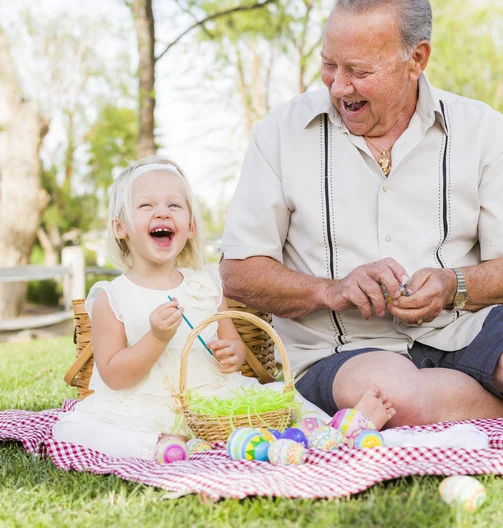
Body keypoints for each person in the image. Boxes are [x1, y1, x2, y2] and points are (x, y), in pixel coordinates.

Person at [220, 0, 503, 429]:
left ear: (417, 59)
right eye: (330, 64)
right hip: (340, 354)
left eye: (358, 71)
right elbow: (238, 275)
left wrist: (455, 285)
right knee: (389, 398)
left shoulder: (484, 130)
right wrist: (331, 290)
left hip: (463, 329)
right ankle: (466, 410)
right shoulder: (280, 133)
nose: (337, 86)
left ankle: (450, 409)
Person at [53, 156, 395, 459]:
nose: (162, 212)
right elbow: (113, 375)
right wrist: (156, 338)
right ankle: (155, 445)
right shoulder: (112, 297)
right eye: (145, 206)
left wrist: (230, 353)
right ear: (120, 227)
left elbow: (234, 347)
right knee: (71, 428)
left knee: (283, 397)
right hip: (148, 408)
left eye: (174, 206)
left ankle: (340, 428)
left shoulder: (206, 282)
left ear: (190, 227)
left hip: (215, 401)